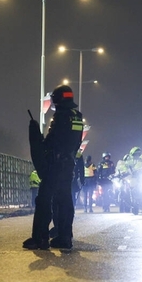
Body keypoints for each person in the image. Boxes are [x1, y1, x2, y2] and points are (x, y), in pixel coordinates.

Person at [23, 85, 85, 251]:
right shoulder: (77, 117)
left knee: (44, 200)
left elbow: (52, 142)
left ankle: (40, 238)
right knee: (65, 200)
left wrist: (36, 136)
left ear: (58, 100)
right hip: (68, 165)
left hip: (55, 165)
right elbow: (75, 142)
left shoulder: (61, 116)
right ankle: (65, 238)